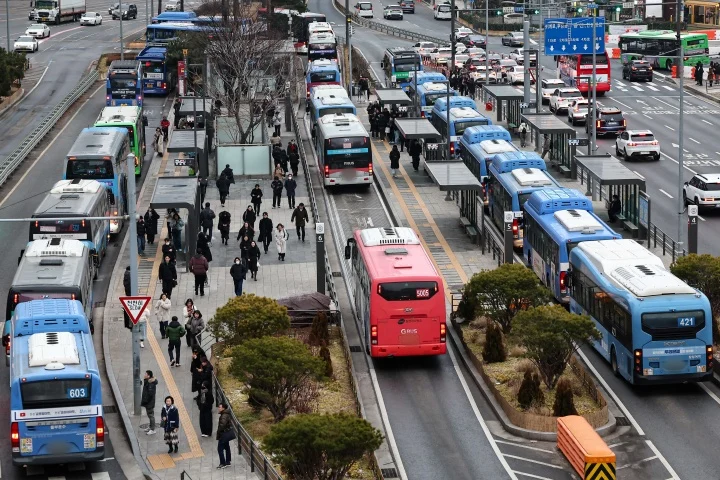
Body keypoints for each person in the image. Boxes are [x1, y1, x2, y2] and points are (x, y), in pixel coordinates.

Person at [216, 402, 235, 469]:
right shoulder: (226, 414)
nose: (218, 408)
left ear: (223, 408)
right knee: (227, 447)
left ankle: (222, 463)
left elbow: (222, 425)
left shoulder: (224, 416)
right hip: (226, 434)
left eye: (220, 407)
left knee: (220, 449)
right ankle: (228, 461)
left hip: (223, 434)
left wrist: (219, 431)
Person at [141, 370, 158, 435]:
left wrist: (146, 401)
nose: (144, 375)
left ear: (148, 376)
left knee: (151, 415)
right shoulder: (148, 381)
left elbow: (150, 394)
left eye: (145, 374)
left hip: (149, 402)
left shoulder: (150, 384)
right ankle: (151, 427)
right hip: (149, 402)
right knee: (150, 415)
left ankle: (152, 429)